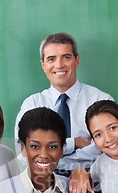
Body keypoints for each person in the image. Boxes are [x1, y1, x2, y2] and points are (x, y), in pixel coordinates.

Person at [15, 32, 113, 175]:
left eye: (66, 57)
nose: (59, 65)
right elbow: (23, 153)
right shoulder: (32, 104)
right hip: (43, 181)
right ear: (43, 65)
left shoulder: (100, 100)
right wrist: (74, 143)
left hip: (91, 180)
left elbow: (105, 149)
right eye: (51, 59)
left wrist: (49, 156)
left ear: (77, 60)